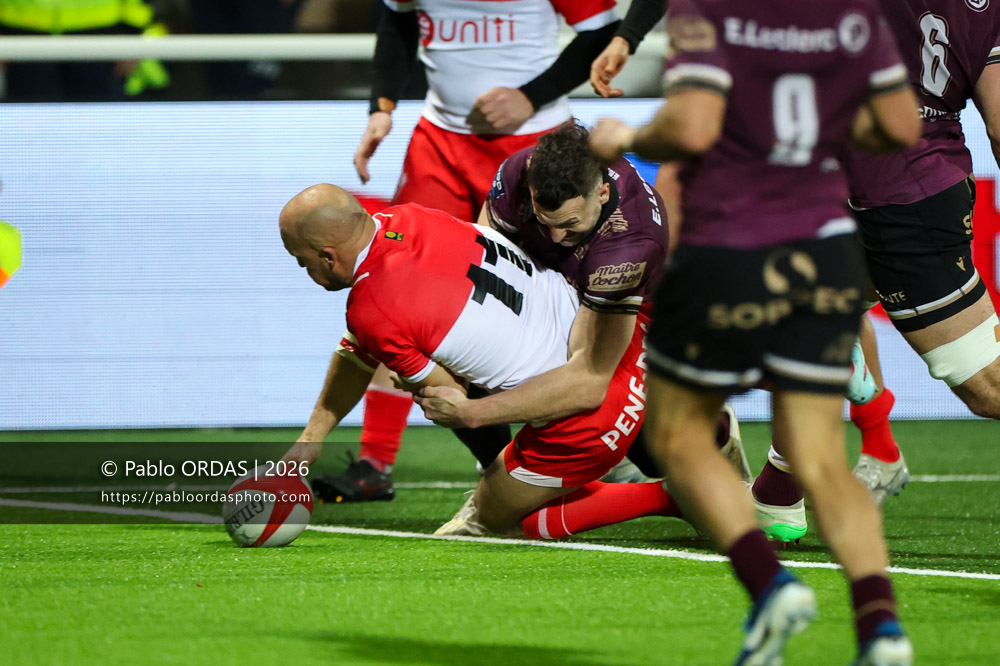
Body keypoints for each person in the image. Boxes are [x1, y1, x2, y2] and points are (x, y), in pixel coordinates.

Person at [588, 0, 921, 663]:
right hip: (825, 251)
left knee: (678, 434)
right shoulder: (852, 13)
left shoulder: (708, 7)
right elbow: (901, 123)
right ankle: (881, 627)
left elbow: (692, 124)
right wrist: (821, 135)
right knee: (822, 458)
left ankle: (770, 587)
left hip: (730, 247)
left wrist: (624, 140)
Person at [328, 0, 627, 502]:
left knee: (559, 298)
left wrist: (530, 97)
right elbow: (396, 21)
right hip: (439, 143)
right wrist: (382, 107)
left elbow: (603, 31)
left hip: (536, 143)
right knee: (391, 291)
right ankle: (374, 460)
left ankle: (604, 443)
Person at [279, 184, 690, 542]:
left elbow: (450, 395)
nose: (306, 270)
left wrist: (419, 382)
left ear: (328, 256)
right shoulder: (408, 217)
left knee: (498, 517)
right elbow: (359, 347)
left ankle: (676, 496)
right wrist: (310, 440)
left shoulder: (372, 310)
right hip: (624, 341)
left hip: (586, 413)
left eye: (303, 261)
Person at [415, 122, 751, 493]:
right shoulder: (518, 172)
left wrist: (473, 414)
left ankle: (714, 429)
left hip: (630, 307)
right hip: (547, 282)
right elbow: (485, 253)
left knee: (645, 448)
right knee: (456, 347)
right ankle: (499, 477)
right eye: (546, 223)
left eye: (571, 225)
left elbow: (588, 376)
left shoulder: (630, 244)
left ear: (602, 194)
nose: (557, 237)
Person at [839, 0, 1000, 420]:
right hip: (914, 181)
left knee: (989, 384)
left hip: (896, 195)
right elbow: (998, 124)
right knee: (797, 334)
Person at [0, 0, 170, 100]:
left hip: (101, 37)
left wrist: (134, 36)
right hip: (22, 37)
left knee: (97, 124)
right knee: (31, 130)